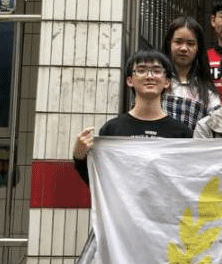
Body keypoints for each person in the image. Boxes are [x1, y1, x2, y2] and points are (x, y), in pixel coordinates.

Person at [72, 49, 191, 184]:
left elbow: (187, 182)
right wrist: (79, 157)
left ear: (167, 82)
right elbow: (100, 184)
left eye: (157, 71)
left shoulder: (182, 133)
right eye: (141, 70)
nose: (150, 76)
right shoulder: (112, 129)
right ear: (129, 81)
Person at [163, 15, 222, 117]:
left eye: (190, 44)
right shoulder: (156, 81)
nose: (183, 48)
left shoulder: (208, 92)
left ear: (198, 48)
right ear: (169, 43)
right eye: (178, 42)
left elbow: (217, 123)